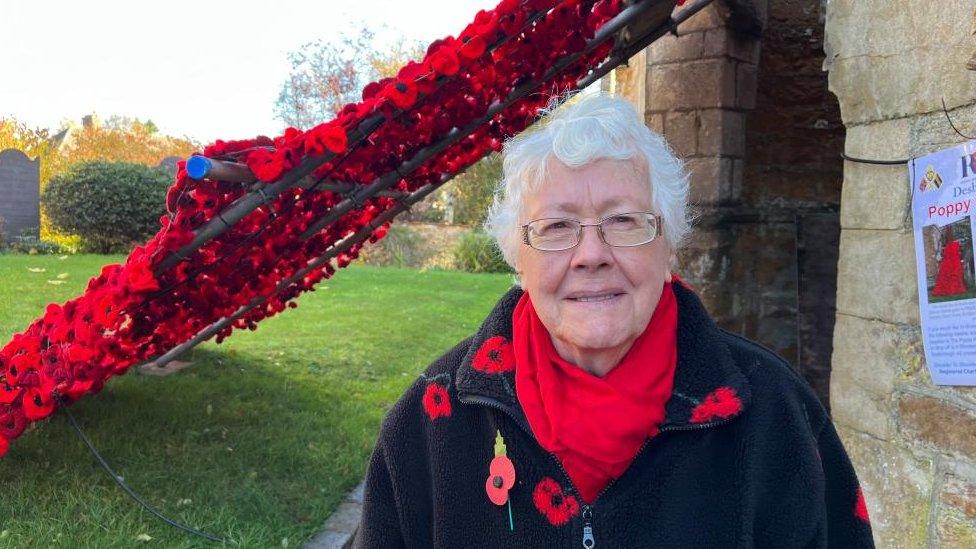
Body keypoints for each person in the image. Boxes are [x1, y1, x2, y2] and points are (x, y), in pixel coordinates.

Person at [353, 93, 875, 548]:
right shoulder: (430, 421)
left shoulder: (774, 414)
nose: (590, 254)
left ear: (668, 243)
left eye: (623, 220)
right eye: (557, 226)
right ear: (518, 256)